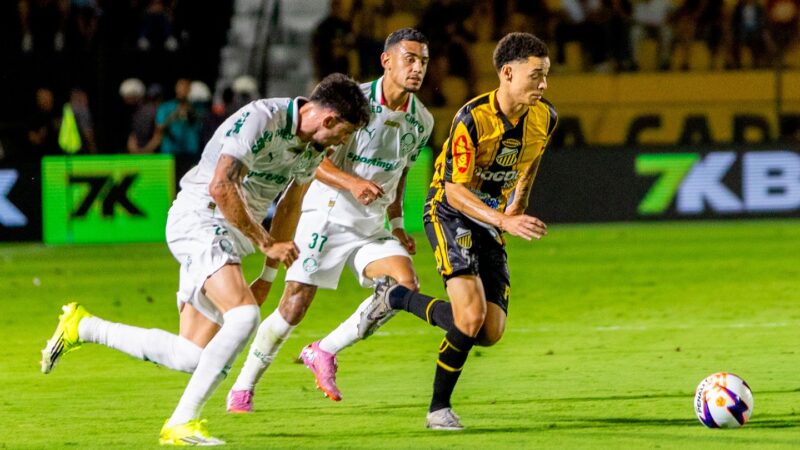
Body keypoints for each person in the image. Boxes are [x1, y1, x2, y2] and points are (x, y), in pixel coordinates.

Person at [39, 73, 370, 446]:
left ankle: (84, 327)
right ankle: (182, 423)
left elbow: (290, 204)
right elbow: (221, 185)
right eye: (344, 133)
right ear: (329, 119)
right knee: (244, 316)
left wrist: (267, 273)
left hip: (232, 235)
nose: (343, 142)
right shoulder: (262, 118)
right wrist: (264, 243)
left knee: (192, 356)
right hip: (200, 217)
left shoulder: (312, 148)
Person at [225, 27, 433, 412]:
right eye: (410, 59)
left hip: (371, 225)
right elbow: (313, 160)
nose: (418, 68)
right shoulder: (355, 102)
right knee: (294, 305)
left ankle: (324, 350)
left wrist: (398, 223)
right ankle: (242, 386)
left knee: (403, 285)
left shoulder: (422, 121)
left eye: (423, 61)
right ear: (386, 61)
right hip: (327, 215)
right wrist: (353, 183)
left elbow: (400, 172)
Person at [359, 32, 557, 430]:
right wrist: (504, 220)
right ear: (507, 72)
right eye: (536, 75)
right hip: (450, 211)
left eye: (546, 75)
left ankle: (396, 297)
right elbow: (454, 189)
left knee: (489, 331)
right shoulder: (473, 118)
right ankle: (438, 410)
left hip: (492, 216)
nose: (543, 84)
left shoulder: (545, 117)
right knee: (469, 317)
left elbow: (531, 161)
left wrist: (518, 201)